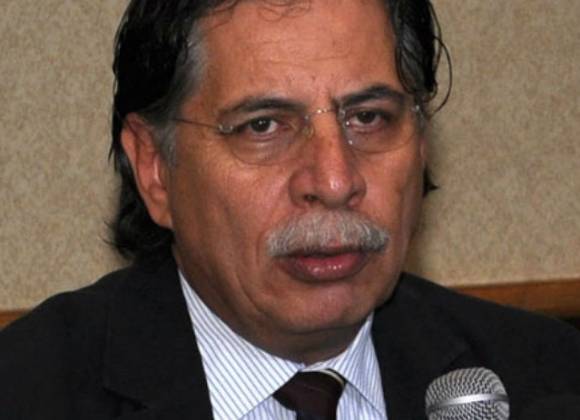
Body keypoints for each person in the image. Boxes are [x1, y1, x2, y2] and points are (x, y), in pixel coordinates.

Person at [1, 1, 579, 419]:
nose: (334, 181)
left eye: (369, 118)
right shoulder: (27, 393)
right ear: (154, 168)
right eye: (263, 126)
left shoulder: (549, 379)